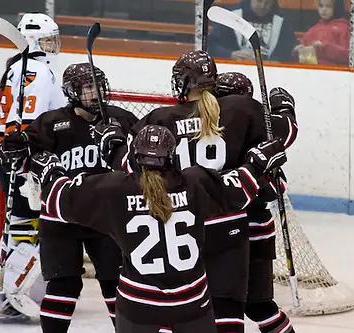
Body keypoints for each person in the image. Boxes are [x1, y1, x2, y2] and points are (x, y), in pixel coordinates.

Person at [28, 124, 288, 333]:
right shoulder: (195, 183)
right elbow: (240, 188)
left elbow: (57, 200)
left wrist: (50, 172)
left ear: (135, 157)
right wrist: (258, 163)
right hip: (192, 304)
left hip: (138, 305)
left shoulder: (114, 190)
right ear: (172, 158)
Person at [107, 50, 296, 333]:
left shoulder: (160, 118)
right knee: (228, 306)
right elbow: (285, 135)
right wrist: (284, 109)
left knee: (184, 308)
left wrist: (113, 144)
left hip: (182, 224)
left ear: (182, 83)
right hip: (231, 223)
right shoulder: (240, 109)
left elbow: (130, 167)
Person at [0, 62, 138, 333]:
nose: (96, 94)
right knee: (64, 284)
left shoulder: (121, 118)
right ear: (72, 91)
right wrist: (15, 149)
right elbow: (22, 160)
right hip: (60, 218)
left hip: (105, 218)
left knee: (115, 281)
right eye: (88, 88)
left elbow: (140, 163)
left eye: (98, 87)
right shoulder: (51, 123)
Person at [0, 12, 66, 323]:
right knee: (24, 226)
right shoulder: (37, 72)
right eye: (47, 38)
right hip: (24, 158)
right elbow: (30, 121)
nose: (53, 43)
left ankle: (1, 291)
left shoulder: (19, 67)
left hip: (12, 156)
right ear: (33, 40)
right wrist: (28, 156)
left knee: (19, 226)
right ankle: (6, 294)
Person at [215, 72, 298, 333]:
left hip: (228, 231)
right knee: (255, 306)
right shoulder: (260, 129)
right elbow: (288, 133)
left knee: (234, 304)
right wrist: (284, 108)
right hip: (245, 229)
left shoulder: (203, 130)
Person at [208, 0, 299, 62]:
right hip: (235, 68)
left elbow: (289, 51)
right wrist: (230, 54)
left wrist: (273, 62)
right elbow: (212, 46)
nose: (263, 6)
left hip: (269, 72)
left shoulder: (282, 21)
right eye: (259, 1)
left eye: (268, 3)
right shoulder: (232, 16)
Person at [293, 0, 349, 64]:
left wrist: (325, 47)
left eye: (328, 6)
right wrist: (297, 51)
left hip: (334, 71)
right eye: (321, 6)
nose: (324, 9)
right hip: (311, 70)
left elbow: (348, 56)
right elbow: (301, 59)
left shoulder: (344, 28)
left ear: (336, 7)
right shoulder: (312, 30)